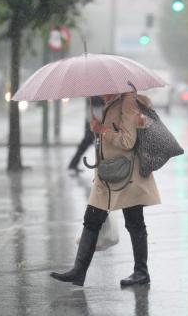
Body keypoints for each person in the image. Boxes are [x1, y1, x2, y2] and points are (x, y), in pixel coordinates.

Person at [51, 92, 161, 287]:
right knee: (92, 219)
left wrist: (102, 130)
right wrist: (98, 131)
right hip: (108, 174)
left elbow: (127, 141)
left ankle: (141, 272)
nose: (100, 91)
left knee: (134, 221)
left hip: (127, 174)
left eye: (103, 88)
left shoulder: (127, 102)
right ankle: (79, 271)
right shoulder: (109, 103)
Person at [68, 96, 105, 172]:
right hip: (94, 122)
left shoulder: (93, 94)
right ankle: (73, 164)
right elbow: (97, 106)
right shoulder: (95, 94)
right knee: (88, 144)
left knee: (87, 144)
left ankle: (73, 164)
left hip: (93, 121)